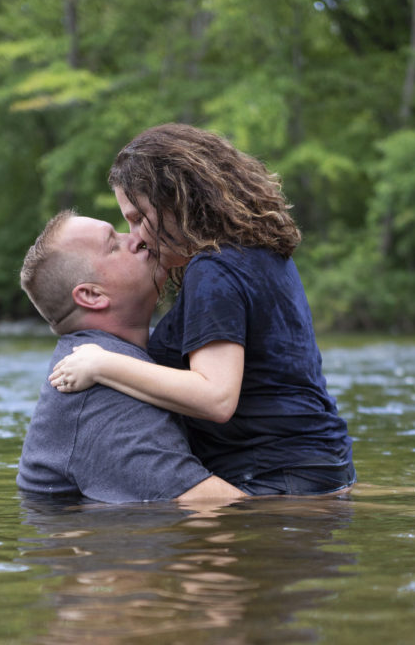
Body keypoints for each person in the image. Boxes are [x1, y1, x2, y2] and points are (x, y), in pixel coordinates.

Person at [50, 123, 356, 497]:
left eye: (137, 217)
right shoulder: (257, 251)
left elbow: (216, 398)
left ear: (177, 200)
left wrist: (101, 365)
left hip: (275, 477)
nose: (137, 236)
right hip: (320, 466)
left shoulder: (213, 268)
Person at [16, 209, 245, 504]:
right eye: (113, 245)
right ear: (91, 296)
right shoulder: (98, 392)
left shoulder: (116, 358)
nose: (138, 237)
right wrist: (319, 506)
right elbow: (212, 503)